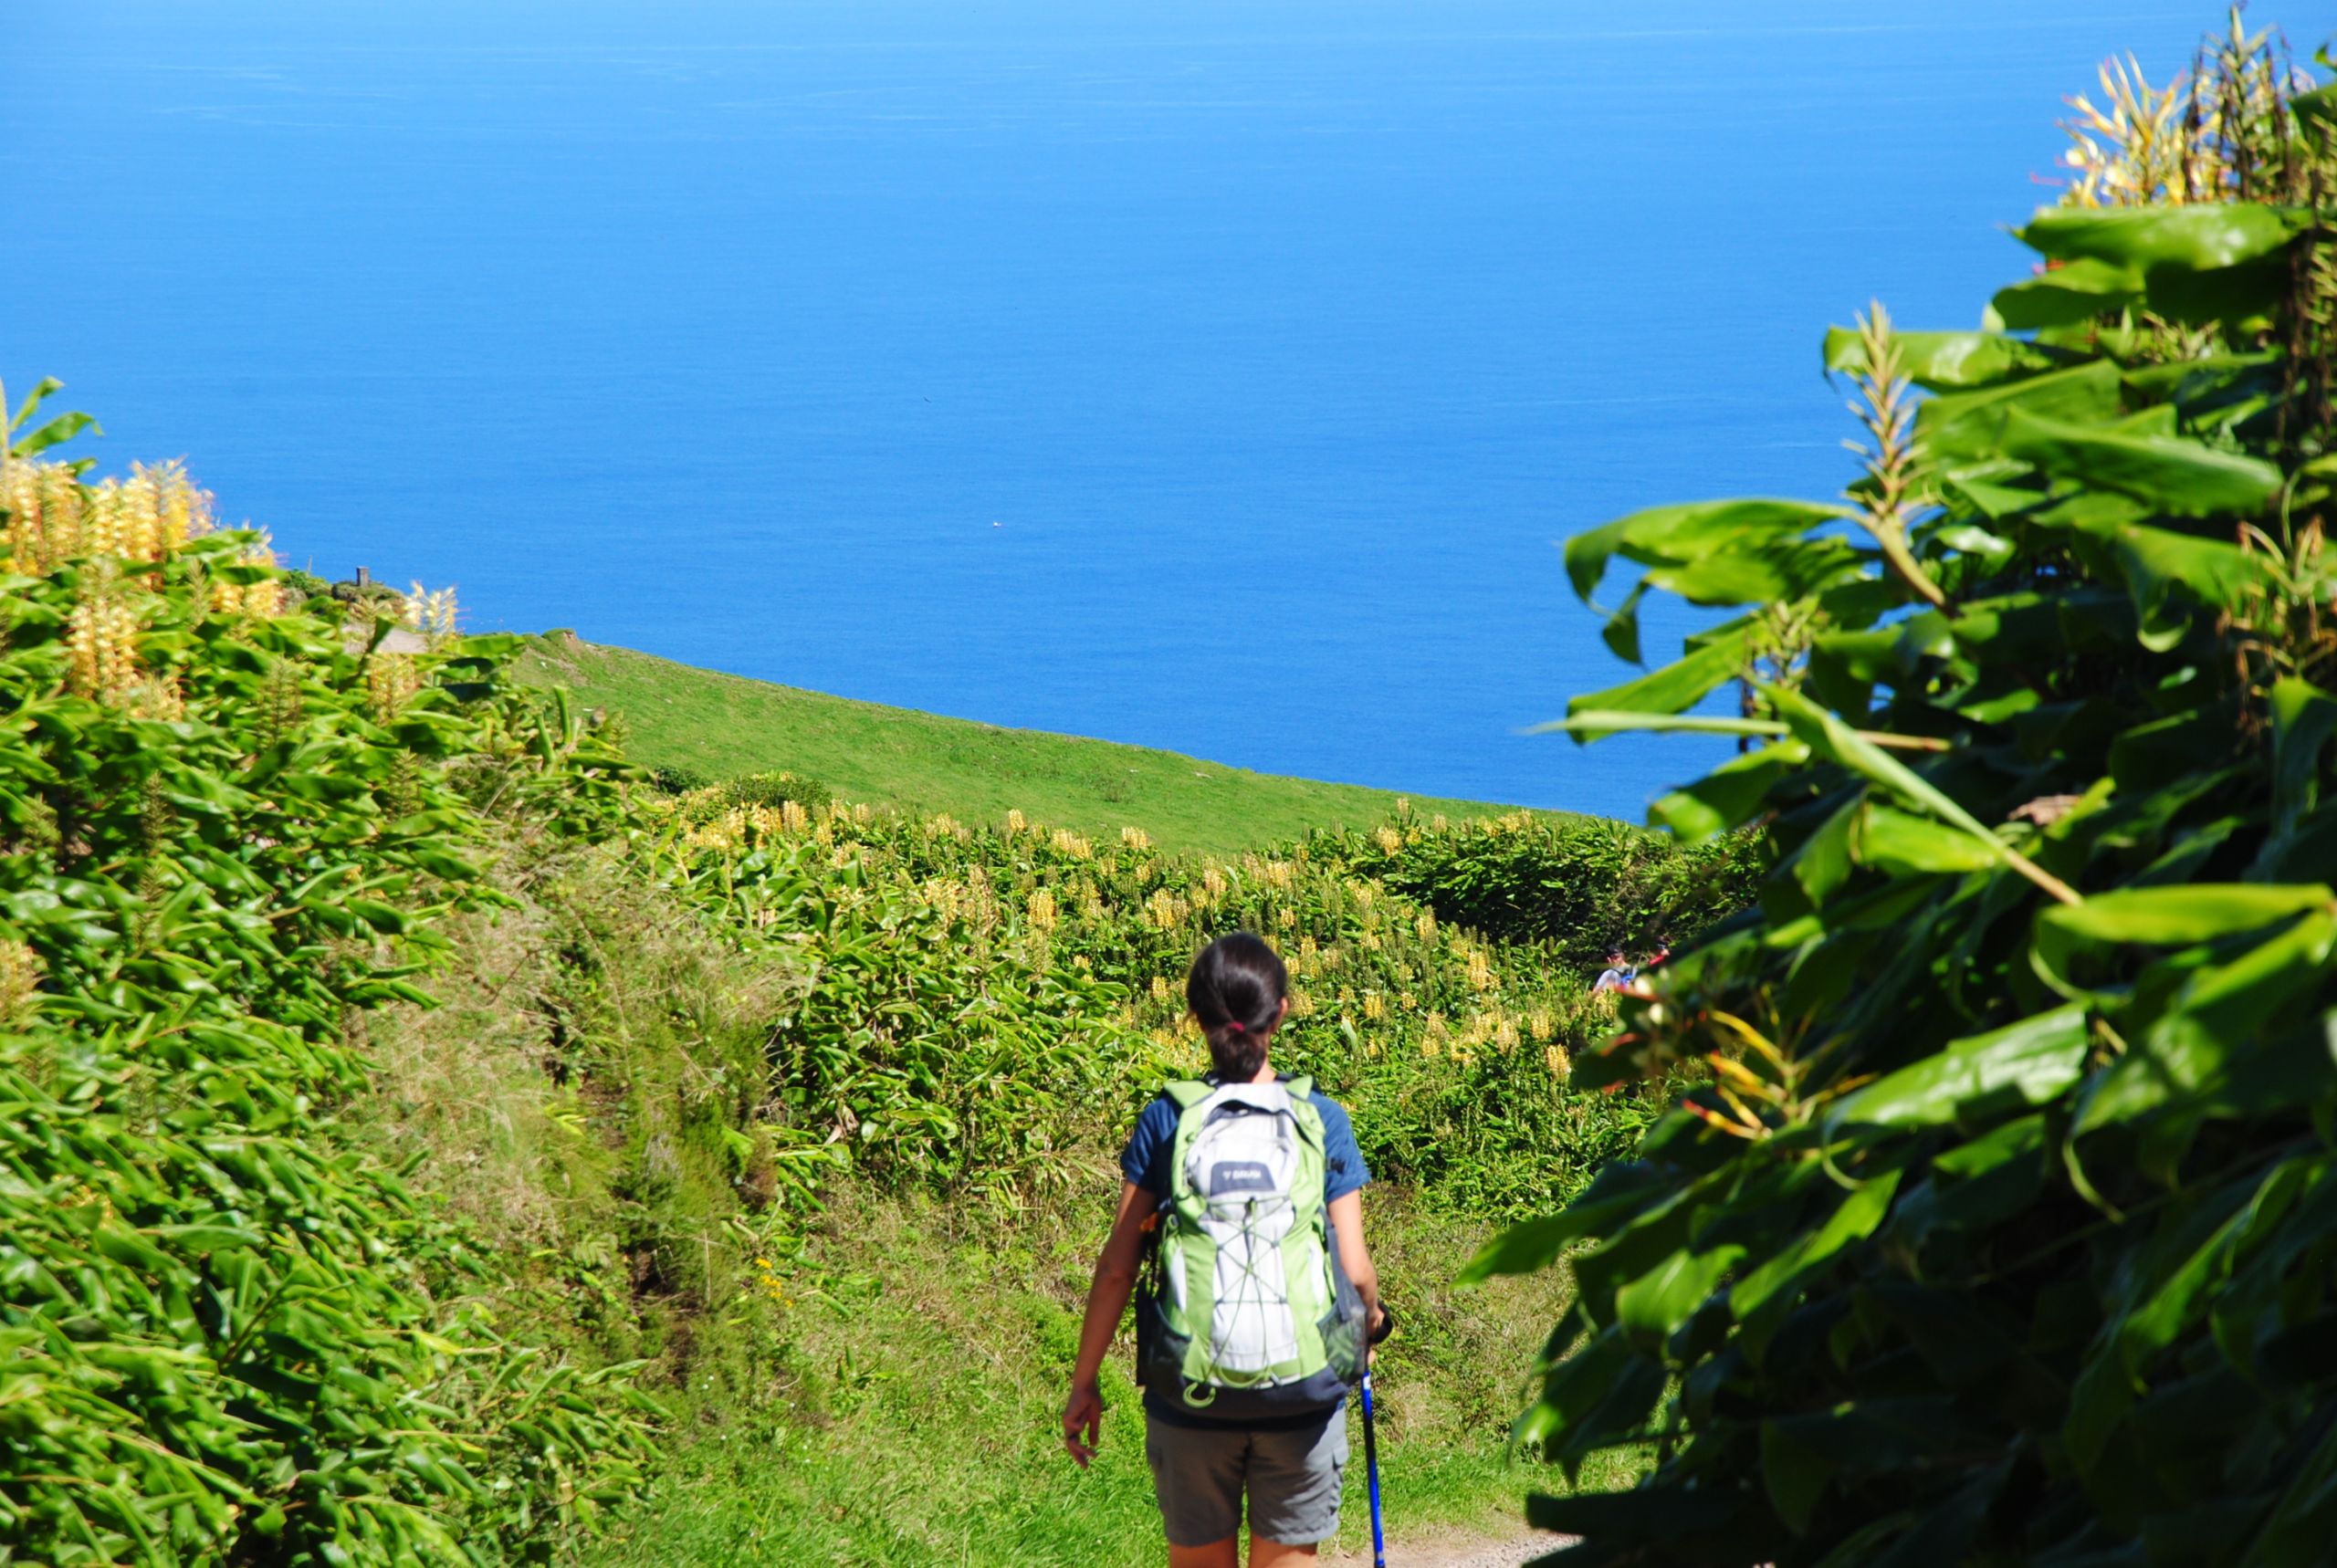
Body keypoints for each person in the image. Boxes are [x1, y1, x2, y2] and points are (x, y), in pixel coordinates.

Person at [1063, 933, 1383, 1568]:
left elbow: (1117, 1268)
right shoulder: (1321, 1118)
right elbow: (1355, 1271)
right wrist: (1368, 1326)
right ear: (1281, 1011)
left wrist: (1083, 1382)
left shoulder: (1167, 1119)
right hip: (1303, 1396)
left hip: (1189, 1397)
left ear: (1193, 1017)